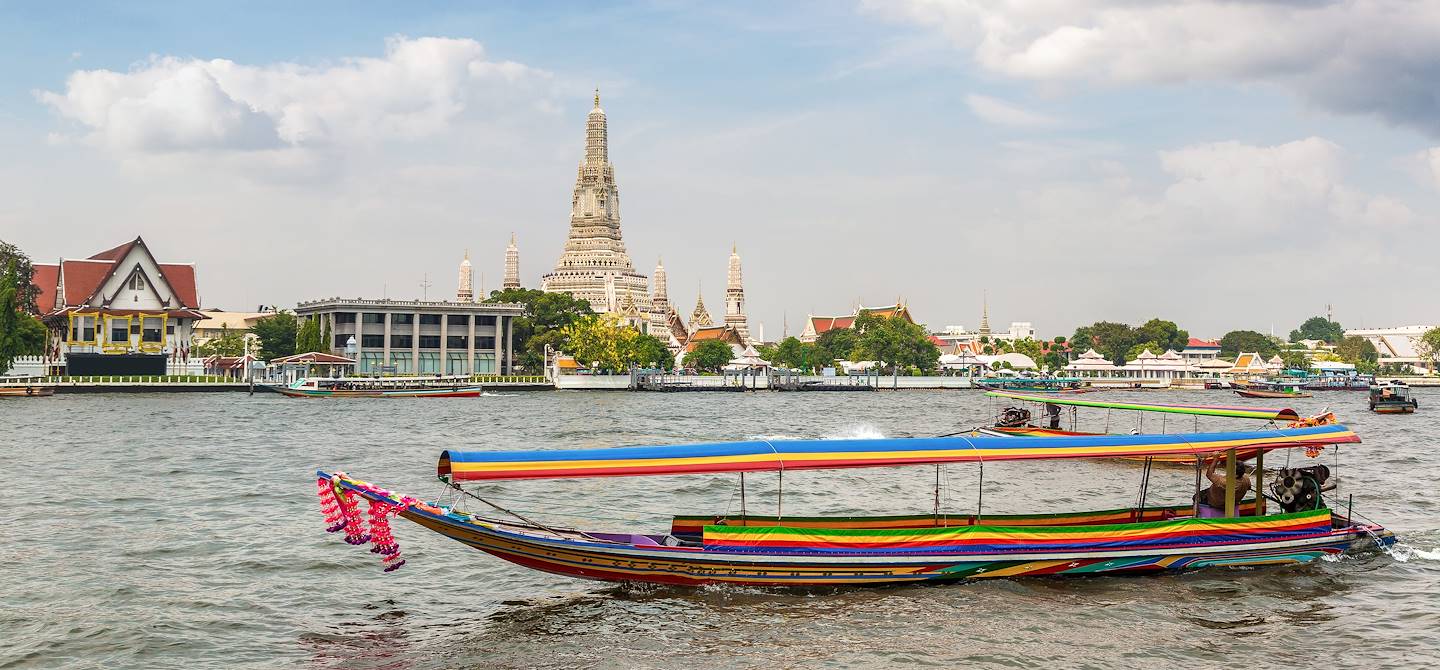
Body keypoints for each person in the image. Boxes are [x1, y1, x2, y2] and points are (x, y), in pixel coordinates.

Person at [1195, 453, 1251, 518]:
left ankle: (1199, 517)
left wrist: (1216, 459)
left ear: (1235, 473)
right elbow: (1249, 487)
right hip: (1234, 501)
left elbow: (1209, 474)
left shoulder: (1224, 482)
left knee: (1196, 497)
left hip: (1217, 503)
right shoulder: (1246, 478)